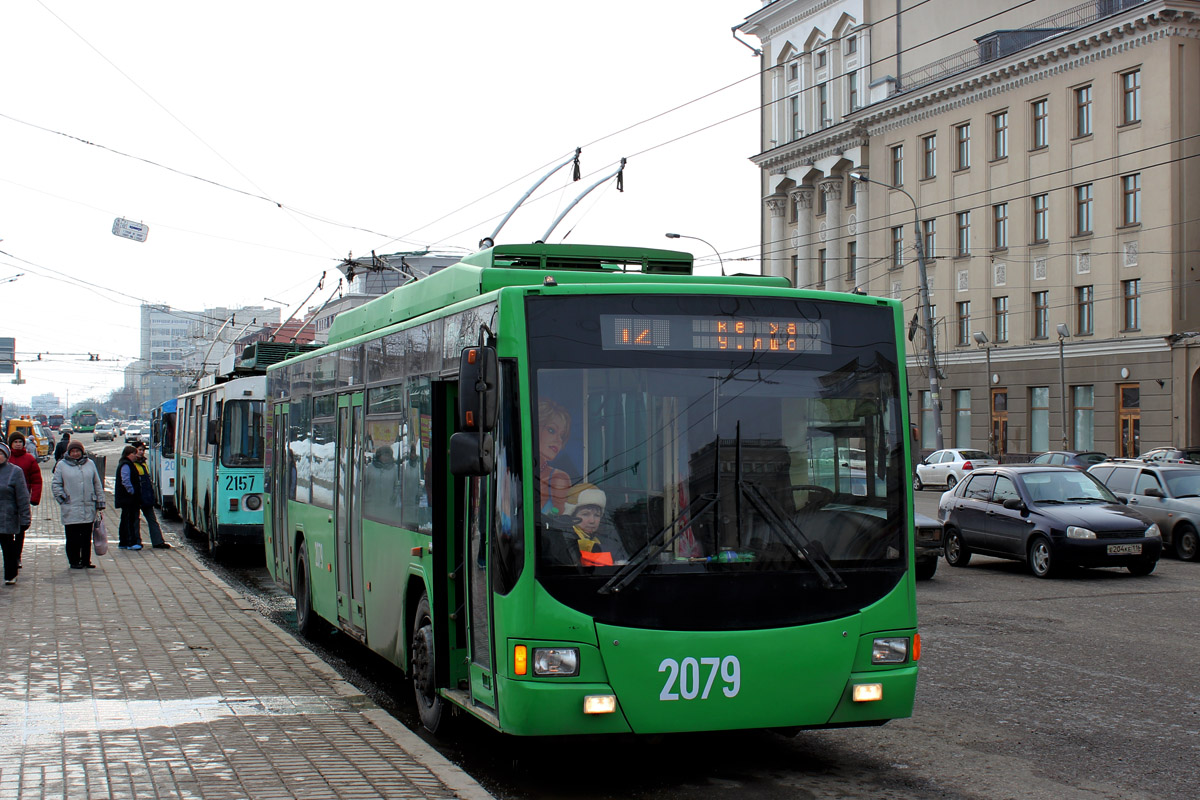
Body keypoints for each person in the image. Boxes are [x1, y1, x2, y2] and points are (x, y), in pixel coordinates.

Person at [50, 439, 105, 569]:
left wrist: (100, 501)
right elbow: (56, 484)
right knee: (72, 537)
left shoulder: (90, 464)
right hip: (71, 506)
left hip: (88, 506)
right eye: (73, 451)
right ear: (69, 452)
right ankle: (74, 560)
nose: (75, 454)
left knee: (86, 537)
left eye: (77, 451)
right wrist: (62, 498)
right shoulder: (62, 465)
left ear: (82, 451)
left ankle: (86, 560)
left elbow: (97, 483)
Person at [562, 483, 627, 566]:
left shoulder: (606, 538)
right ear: (572, 515)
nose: (592, 521)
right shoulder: (563, 539)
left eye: (597, 515)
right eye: (585, 514)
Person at [7, 432, 42, 569]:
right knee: (8, 531)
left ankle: (17, 556)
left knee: (20, 530)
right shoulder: (5, 458)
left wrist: (34, 498)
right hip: (7, 501)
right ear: (10, 444)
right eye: (15, 442)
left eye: (20, 442)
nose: (17, 444)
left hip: (22, 499)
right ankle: (10, 556)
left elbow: (36, 480)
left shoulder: (29, 459)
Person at [0, 442, 31, 584]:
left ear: (6, 456)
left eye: (1, 454)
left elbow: (23, 497)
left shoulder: (15, 471)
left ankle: (10, 575)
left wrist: (25, 518)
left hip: (8, 516)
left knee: (8, 548)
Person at [538, 399, 572, 515]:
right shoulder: (508, 475)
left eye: (562, 436)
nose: (559, 441)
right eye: (551, 430)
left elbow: (563, 527)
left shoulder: (559, 479)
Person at [134, 443, 170, 549]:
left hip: (146, 496)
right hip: (137, 497)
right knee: (135, 520)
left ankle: (158, 541)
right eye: (139, 450)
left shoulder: (143, 463)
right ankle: (136, 541)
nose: (141, 452)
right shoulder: (132, 464)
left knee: (152, 519)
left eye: (143, 450)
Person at [114, 444, 143, 551]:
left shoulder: (126, 463)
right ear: (129, 454)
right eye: (134, 453)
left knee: (126, 519)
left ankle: (124, 542)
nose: (136, 455)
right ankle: (130, 542)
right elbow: (125, 480)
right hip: (128, 499)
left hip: (127, 498)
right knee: (129, 520)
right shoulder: (126, 465)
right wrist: (132, 491)